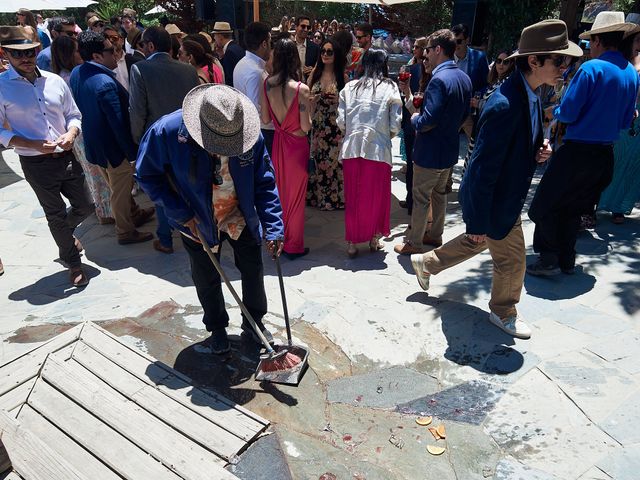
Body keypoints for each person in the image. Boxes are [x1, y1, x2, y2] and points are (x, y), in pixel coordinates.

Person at [410, 19, 582, 339]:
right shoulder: (506, 104)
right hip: (498, 199)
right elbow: (480, 168)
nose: (565, 67)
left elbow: (511, 147)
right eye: (559, 60)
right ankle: (504, 311)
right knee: (512, 261)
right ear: (534, 60)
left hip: (505, 197)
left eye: (567, 60)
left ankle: (427, 263)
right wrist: (476, 220)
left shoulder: (530, 94)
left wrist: (537, 149)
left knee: (479, 244)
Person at [136, 84, 284, 354]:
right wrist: (180, 212)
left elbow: (264, 182)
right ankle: (216, 328)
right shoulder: (166, 131)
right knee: (206, 276)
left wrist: (274, 227)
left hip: (240, 213)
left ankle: (254, 324)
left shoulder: (249, 134)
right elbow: (146, 175)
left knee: (253, 269)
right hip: (197, 217)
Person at [528, 12, 639, 276]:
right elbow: (626, 122)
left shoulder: (591, 68)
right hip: (604, 156)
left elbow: (568, 112)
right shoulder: (631, 74)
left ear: (598, 40)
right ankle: (566, 259)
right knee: (572, 209)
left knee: (543, 205)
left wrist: (552, 112)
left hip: (577, 152)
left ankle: (548, 259)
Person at [0, 26, 93, 287]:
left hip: (66, 156)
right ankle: (73, 261)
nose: (26, 58)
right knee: (54, 214)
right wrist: (30, 143)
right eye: (18, 54)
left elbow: (74, 114)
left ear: (37, 49)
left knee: (86, 206)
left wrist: (72, 133)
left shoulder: (54, 81)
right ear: (5, 54)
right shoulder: (2, 88)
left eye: (30, 52)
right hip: (34, 162)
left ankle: (64, 236)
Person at [71, 30, 155, 246]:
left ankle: (133, 213)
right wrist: (132, 154)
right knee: (120, 189)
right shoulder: (104, 83)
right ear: (97, 57)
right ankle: (125, 231)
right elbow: (118, 124)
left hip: (96, 144)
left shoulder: (78, 73)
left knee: (115, 186)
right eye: (112, 50)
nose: (117, 54)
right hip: (112, 149)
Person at [394, 30, 472, 255]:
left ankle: (414, 243)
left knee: (420, 199)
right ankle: (435, 235)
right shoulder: (463, 78)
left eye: (428, 49)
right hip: (449, 150)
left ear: (438, 49)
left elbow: (427, 121)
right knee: (440, 196)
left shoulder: (439, 79)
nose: (425, 53)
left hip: (429, 152)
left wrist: (416, 118)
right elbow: (464, 115)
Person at [129, 26, 200, 254]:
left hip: (157, 139)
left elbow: (137, 110)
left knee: (161, 186)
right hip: (186, 137)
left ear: (150, 46)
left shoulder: (140, 69)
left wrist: (139, 140)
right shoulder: (188, 70)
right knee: (186, 183)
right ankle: (196, 229)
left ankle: (166, 238)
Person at [337, 48, 402, 257]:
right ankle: (374, 239)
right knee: (377, 196)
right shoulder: (390, 87)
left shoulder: (349, 87)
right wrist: (385, 136)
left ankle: (352, 243)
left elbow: (341, 122)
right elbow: (395, 124)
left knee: (354, 195)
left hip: (353, 147)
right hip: (379, 149)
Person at [52, 34, 114, 225]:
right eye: (76, 50)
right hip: (82, 131)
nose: (80, 53)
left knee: (92, 173)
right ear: (68, 54)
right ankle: (107, 212)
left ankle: (105, 209)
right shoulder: (69, 77)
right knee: (97, 173)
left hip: (77, 133)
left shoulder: (63, 76)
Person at [260, 38, 312, 260]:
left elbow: (264, 118)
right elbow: (305, 126)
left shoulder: (267, 84)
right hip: (297, 146)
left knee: (279, 194)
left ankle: (277, 239)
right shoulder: (301, 89)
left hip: (278, 145)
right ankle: (293, 245)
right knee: (297, 198)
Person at [598, 22, 640, 224]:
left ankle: (620, 207)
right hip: (624, 118)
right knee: (614, 161)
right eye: (638, 40)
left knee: (633, 165)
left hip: (637, 123)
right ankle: (599, 202)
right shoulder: (623, 64)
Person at [307, 37, 347, 211]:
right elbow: (305, 98)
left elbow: (348, 103)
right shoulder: (314, 74)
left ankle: (335, 199)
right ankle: (319, 198)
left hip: (335, 125)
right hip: (318, 124)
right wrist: (313, 100)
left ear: (336, 54)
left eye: (329, 52)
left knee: (334, 163)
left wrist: (339, 99)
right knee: (318, 161)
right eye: (323, 51)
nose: (325, 54)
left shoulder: (342, 77)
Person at [462, 49, 515, 175]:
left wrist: (479, 104)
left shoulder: (507, 82)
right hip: (480, 128)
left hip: (490, 132)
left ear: (511, 64)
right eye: (498, 61)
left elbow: (500, 106)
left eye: (505, 62)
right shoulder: (494, 82)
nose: (501, 64)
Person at [233, 22, 274, 155]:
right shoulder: (256, 72)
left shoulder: (242, 63)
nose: (271, 47)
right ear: (264, 44)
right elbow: (258, 111)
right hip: (261, 134)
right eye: (270, 42)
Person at [398, 36, 427, 214]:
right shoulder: (412, 68)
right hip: (412, 122)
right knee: (413, 164)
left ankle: (413, 203)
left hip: (415, 121)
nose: (413, 49)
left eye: (417, 47)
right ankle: (412, 201)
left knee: (414, 164)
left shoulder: (417, 70)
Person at [451, 23, 489, 139]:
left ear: (467, 40)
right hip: (452, 110)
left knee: (475, 143)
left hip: (470, 111)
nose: (455, 45)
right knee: (445, 143)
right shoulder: (447, 57)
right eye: (453, 41)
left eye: (459, 41)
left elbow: (486, 83)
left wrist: (478, 97)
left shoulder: (479, 57)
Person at [212, 21, 245, 87]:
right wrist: (221, 56)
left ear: (220, 36)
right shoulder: (236, 47)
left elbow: (229, 77)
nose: (214, 38)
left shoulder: (230, 52)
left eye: (215, 36)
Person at [103, 25, 128, 91]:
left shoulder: (133, 61)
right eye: (107, 38)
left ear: (122, 40)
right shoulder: (101, 63)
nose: (110, 41)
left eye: (114, 38)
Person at [293, 16, 319, 81]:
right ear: (296, 27)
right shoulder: (288, 45)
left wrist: (313, 70)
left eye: (308, 27)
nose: (306, 29)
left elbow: (320, 67)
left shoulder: (315, 48)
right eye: (303, 26)